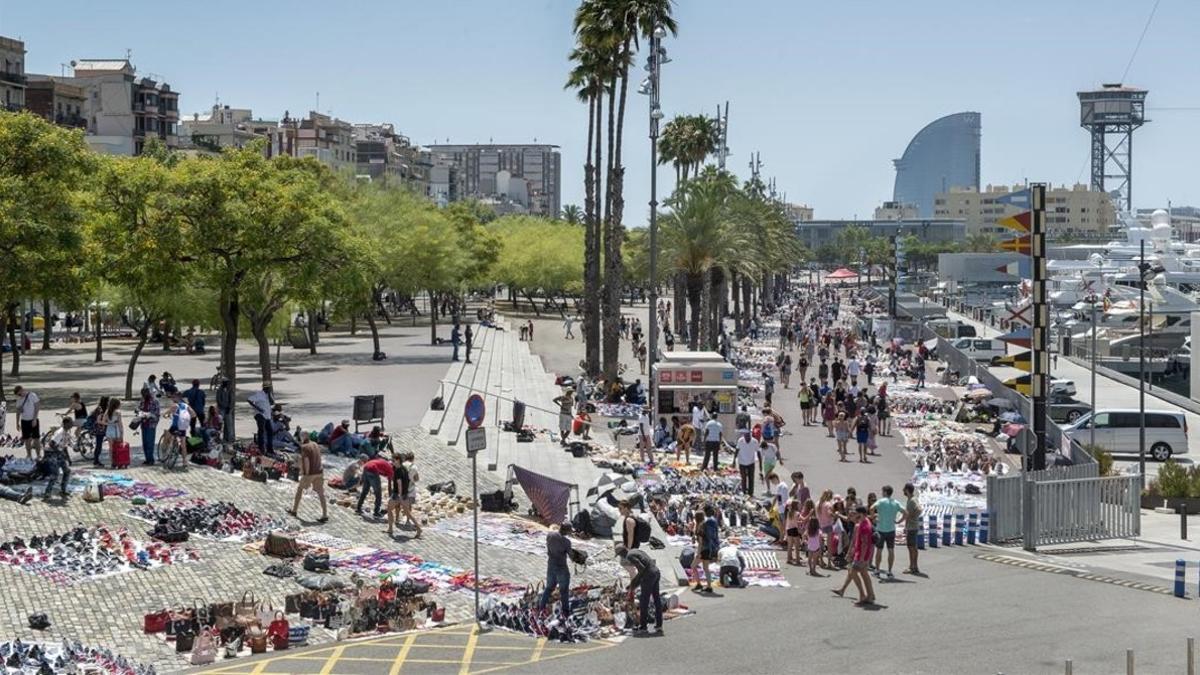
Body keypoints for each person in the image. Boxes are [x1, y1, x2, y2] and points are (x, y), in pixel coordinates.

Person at [833, 506, 876, 606]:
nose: (855, 515)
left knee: (852, 571)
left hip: (861, 554)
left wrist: (861, 558)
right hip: (863, 553)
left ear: (861, 514)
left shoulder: (864, 525)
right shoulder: (865, 522)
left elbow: (864, 543)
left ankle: (862, 595)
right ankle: (870, 595)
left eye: (856, 513)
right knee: (864, 574)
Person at [540, 521, 574, 618]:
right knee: (564, 590)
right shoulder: (567, 542)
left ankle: (541, 607)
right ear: (567, 531)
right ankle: (566, 612)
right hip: (561, 567)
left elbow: (551, 528)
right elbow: (571, 556)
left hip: (551, 565)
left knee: (549, 588)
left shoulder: (550, 535)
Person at [871, 484, 906, 580]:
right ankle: (890, 571)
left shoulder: (881, 501)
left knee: (879, 550)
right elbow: (905, 512)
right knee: (891, 550)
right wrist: (899, 521)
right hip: (891, 529)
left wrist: (874, 518)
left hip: (881, 529)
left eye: (883, 491)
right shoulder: (896, 502)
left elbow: (871, 508)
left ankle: (877, 570)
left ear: (885, 492)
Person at [289, 441, 328, 523]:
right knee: (321, 493)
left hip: (310, 473)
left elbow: (306, 461)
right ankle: (325, 515)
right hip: (319, 472)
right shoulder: (315, 445)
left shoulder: (305, 448)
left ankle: (294, 510)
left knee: (300, 489)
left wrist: (306, 474)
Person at [42, 418, 74, 500]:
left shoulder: (66, 433)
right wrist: (60, 452)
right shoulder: (60, 432)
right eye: (71, 423)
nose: (72, 425)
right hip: (51, 454)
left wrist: (68, 459)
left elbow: (64, 447)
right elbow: (51, 443)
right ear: (66, 424)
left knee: (67, 471)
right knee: (55, 474)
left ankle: (63, 490)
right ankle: (47, 492)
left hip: (58, 454)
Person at [695, 505, 719, 593]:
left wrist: (698, 552)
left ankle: (701, 584)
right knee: (706, 568)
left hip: (705, 548)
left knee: (695, 566)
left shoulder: (705, 523)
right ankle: (708, 586)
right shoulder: (714, 520)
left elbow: (702, 540)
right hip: (711, 547)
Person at [13, 386, 41, 460]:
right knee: (27, 439)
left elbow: (37, 407)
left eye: (20, 394)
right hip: (24, 421)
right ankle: (29, 455)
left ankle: (38, 455)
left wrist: (34, 419)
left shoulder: (32, 395)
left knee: (36, 438)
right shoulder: (19, 400)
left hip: (33, 419)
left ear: (22, 390)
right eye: (18, 395)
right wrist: (17, 423)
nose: (20, 396)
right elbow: (18, 412)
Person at [901, 483, 923, 575]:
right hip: (913, 526)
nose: (903, 491)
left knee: (911, 547)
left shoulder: (911, 501)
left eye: (904, 489)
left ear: (907, 490)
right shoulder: (913, 499)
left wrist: (911, 517)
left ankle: (912, 566)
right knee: (913, 547)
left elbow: (919, 509)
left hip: (912, 527)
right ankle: (914, 566)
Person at [136, 387, 160, 465]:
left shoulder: (155, 401)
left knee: (150, 442)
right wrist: (138, 411)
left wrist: (149, 415)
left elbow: (157, 414)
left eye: (145, 394)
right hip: (143, 424)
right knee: (145, 443)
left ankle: (151, 459)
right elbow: (139, 409)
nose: (143, 396)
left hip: (151, 425)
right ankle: (147, 458)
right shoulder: (142, 401)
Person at [248, 386, 274, 454]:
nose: (270, 390)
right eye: (268, 389)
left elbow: (272, 403)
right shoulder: (259, 394)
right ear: (265, 388)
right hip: (260, 415)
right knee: (261, 430)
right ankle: (261, 448)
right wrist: (258, 408)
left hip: (267, 416)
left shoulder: (268, 395)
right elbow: (249, 400)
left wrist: (269, 395)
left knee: (270, 431)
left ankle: (270, 448)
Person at [734, 430, 757, 495]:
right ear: (744, 436)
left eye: (748, 437)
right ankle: (744, 491)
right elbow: (737, 450)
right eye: (746, 437)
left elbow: (758, 452)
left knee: (751, 478)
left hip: (751, 462)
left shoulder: (754, 441)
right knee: (743, 478)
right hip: (742, 462)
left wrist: (760, 467)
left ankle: (750, 493)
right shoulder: (740, 441)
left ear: (750, 436)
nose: (747, 439)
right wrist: (734, 461)